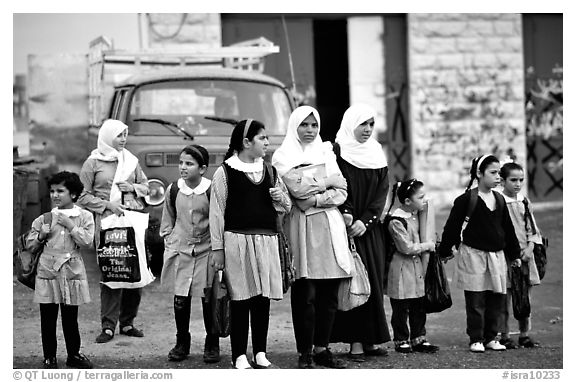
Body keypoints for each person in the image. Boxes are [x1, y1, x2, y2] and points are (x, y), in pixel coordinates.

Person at [272, 105, 352, 369]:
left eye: (314, 125)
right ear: (294, 126)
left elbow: (342, 190)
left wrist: (314, 195)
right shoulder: (283, 156)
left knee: (328, 292)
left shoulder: (325, 151)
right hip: (301, 228)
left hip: (328, 226)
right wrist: (326, 182)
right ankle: (304, 351)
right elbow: (295, 189)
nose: (309, 130)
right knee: (306, 292)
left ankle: (322, 348)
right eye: (304, 125)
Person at [209, 119, 292, 369]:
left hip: (266, 242)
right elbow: (217, 213)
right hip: (237, 241)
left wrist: (280, 198)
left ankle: (260, 353)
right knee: (240, 299)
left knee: (261, 299)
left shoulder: (270, 172)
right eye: (262, 138)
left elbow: (286, 206)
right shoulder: (225, 172)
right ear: (246, 142)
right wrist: (218, 249)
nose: (267, 142)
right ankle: (239, 356)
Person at [438, 154, 522, 353]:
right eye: (493, 173)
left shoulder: (500, 199)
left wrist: (515, 254)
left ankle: (491, 337)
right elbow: (452, 228)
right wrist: (444, 250)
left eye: (499, 173)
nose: (498, 177)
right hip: (473, 256)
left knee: (497, 298)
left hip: (497, 256)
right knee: (476, 300)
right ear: (479, 173)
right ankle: (476, 338)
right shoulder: (466, 200)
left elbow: (508, 229)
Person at [77, 119, 150, 343]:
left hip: (131, 223)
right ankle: (108, 326)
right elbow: (81, 195)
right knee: (112, 270)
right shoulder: (93, 163)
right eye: (119, 135)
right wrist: (108, 206)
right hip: (108, 224)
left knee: (133, 271)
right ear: (108, 136)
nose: (123, 139)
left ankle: (128, 323)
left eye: (125, 135)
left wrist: (134, 188)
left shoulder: (130, 161)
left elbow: (147, 188)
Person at [329, 104, 391, 361]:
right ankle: (354, 343)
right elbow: (338, 184)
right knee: (352, 284)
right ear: (350, 123)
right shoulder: (338, 151)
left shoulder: (376, 152)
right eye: (362, 124)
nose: (367, 130)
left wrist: (367, 221)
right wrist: (350, 215)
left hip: (370, 230)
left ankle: (370, 340)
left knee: (372, 283)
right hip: (346, 228)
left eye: (371, 124)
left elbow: (382, 192)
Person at [26, 171, 95, 369]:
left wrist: (72, 226)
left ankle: (73, 354)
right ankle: (49, 357)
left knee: (70, 318)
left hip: (72, 272)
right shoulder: (45, 218)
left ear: (73, 194)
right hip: (48, 272)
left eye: (60, 191)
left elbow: (88, 242)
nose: (55, 195)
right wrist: (40, 236)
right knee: (47, 318)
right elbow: (30, 246)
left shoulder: (84, 217)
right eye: (52, 191)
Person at [160, 144, 220, 363]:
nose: (183, 168)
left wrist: (217, 249)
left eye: (189, 164)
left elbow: (217, 220)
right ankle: (181, 343)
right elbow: (168, 218)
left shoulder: (211, 189)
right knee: (181, 300)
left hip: (206, 251)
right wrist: (169, 239)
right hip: (181, 251)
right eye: (181, 163)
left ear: (202, 168)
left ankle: (212, 343)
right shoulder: (174, 189)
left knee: (208, 300)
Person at [385, 179, 439, 354]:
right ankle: (401, 339)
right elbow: (405, 247)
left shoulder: (416, 215)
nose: (425, 200)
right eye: (421, 197)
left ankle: (418, 337)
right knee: (401, 306)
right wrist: (426, 246)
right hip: (401, 268)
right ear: (407, 201)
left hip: (416, 268)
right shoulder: (396, 220)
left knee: (418, 304)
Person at [497, 162, 542, 349]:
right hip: (506, 256)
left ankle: (524, 334)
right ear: (502, 180)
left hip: (526, 256)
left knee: (525, 297)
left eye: (521, 180)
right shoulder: (498, 201)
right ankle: (504, 335)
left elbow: (532, 228)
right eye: (513, 180)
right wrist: (511, 252)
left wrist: (531, 247)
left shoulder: (524, 201)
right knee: (504, 298)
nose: (517, 184)